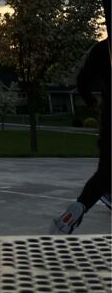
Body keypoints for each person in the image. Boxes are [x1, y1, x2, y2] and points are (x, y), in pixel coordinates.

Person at [50, 38, 110, 234]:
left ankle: (73, 213)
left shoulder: (102, 48)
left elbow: (82, 81)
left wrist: (92, 102)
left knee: (105, 171)